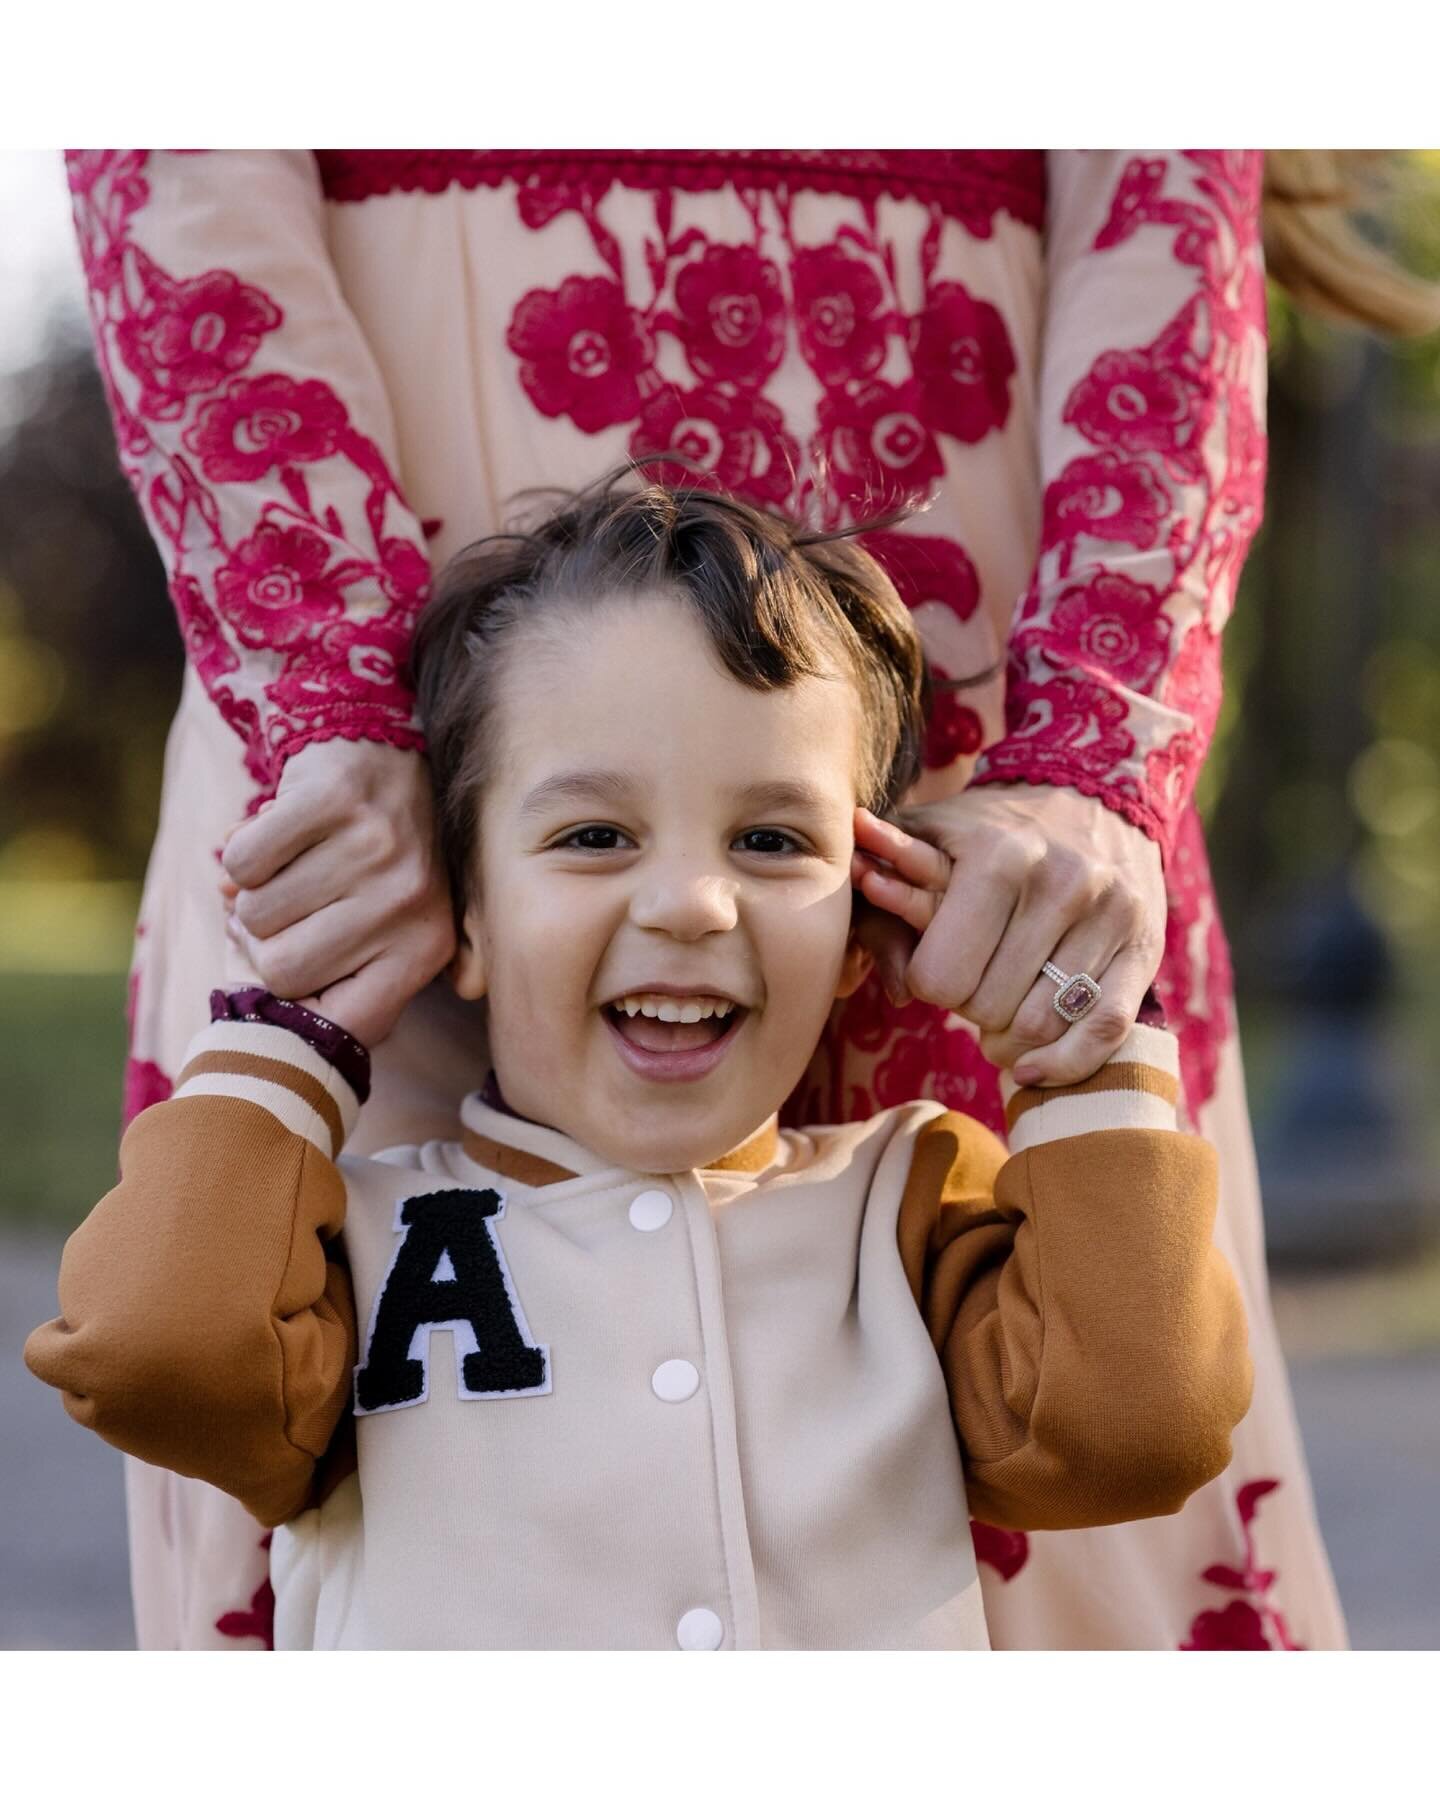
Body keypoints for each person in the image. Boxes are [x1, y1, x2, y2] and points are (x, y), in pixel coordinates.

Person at [63, 148, 1348, 1650]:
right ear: (468, 914)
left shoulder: (913, 1203)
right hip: (383, 602)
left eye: (778, 846)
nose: (687, 902)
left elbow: (1132, 1415)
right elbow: (159, 1354)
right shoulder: (357, 1237)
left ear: (867, 882)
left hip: (993, 636)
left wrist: (1093, 818)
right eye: (598, 841)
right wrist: (331, 737)